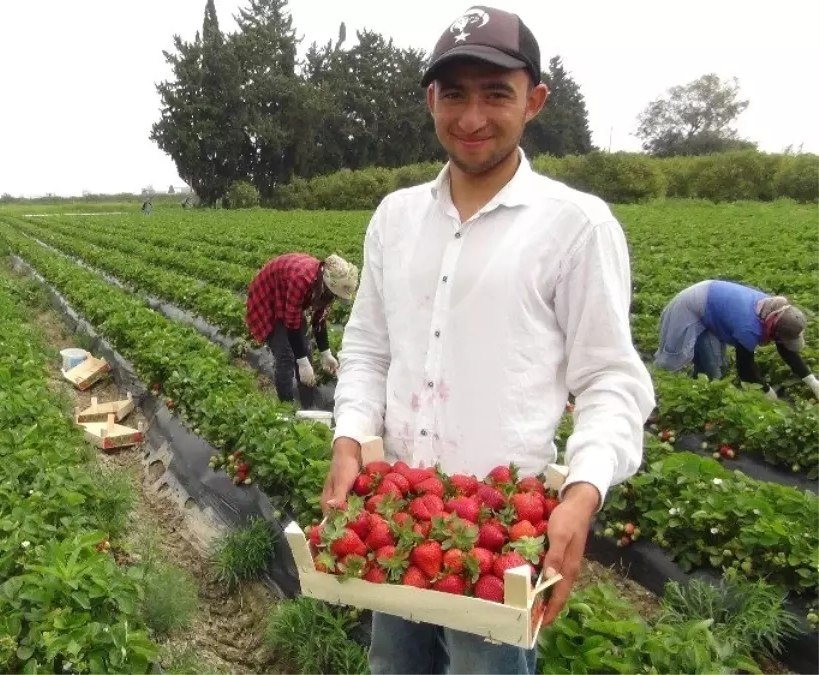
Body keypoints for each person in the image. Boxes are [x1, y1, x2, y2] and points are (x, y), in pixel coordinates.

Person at [321, 7, 656, 674]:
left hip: (500, 536)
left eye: (495, 93)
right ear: (430, 101)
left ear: (533, 100)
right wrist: (348, 439)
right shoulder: (395, 217)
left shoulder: (576, 226)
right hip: (398, 512)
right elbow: (366, 349)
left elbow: (610, 380)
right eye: (454, 94)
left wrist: (581, 495)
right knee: (393, 666)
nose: (471, 116)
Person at [653, 279, 817, 399]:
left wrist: (813, 382)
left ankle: (694, 387)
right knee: (703, 368)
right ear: (774, 330)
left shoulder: (774, 311)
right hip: (691, 305)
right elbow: (745, 370)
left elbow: (786, 349)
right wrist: (768, 394)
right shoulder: (749, 328)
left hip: (713, 301)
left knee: (715, 365)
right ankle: (658, 389)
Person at [245, 252, 359, 409]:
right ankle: (285, 407)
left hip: (289, 295)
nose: (335, 298)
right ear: (328, 285)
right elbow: (292, 325)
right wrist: (302, 362)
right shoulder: (301, 280)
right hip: (269, 296)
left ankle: (307, 407)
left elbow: (319, 319)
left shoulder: (324, 288)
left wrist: (326, 353)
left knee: (306, 350)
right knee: (285, 356)